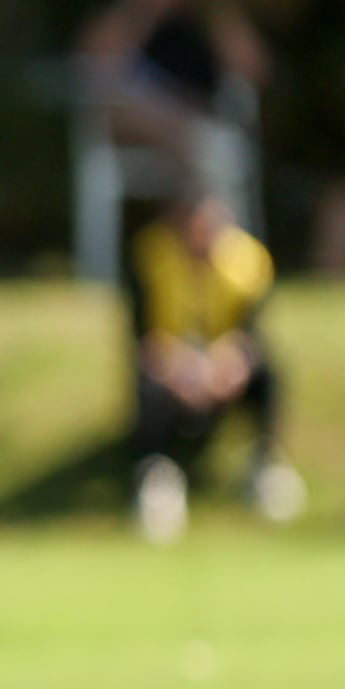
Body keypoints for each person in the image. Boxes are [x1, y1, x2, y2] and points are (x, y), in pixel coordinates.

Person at [126, 188, 300, 544]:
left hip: (223, 364)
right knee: (146, 383)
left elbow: (252, 333)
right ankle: (156, 476)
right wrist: (179, 369)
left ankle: (265, 464)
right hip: (172, 365)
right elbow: (142, 337)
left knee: (268, 371)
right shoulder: (150, 255)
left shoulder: (248, 260)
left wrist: (227, 366)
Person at [76, 0, 268, 181]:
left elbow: (254, 69)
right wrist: (144, 3)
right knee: (117, 104)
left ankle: (192, 207)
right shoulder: (129, 12)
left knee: (194, 132)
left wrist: (215, 5)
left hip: (197, 118)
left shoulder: (208, 17)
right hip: (146, 123)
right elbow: (92, 63)